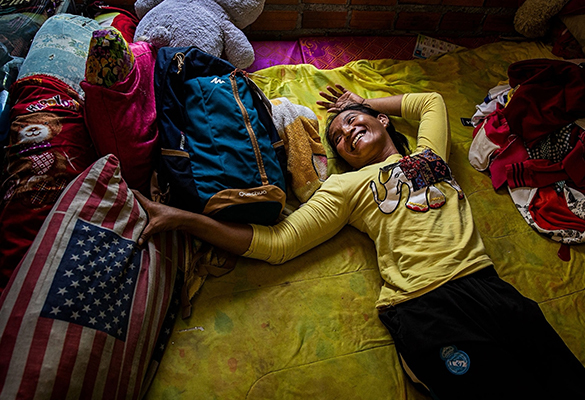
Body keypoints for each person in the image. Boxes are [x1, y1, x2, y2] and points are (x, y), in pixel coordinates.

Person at [133, 86, 585, 399]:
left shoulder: (427, 157)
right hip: (425, 307)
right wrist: (185, 220)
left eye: (353, 122)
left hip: (487, 286)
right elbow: (279, 243)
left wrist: (360, 99)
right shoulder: (346, 189)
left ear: (381, 120)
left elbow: (430, 102)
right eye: (339, 139)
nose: (347, 132)